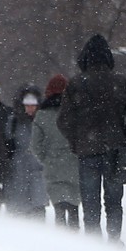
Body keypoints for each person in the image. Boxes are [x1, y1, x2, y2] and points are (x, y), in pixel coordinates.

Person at [57, 34, 126, 245]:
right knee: (114, 200)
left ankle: (93, 244)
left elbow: (64, 120)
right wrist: (124, 136)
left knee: (90, 200)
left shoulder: (76, 84)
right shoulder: (123, 83)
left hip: (87, 151)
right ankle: (114, 240)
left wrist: (77, 140)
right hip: (115, 150)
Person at [31, 74, 81, 229]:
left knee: (59, 208)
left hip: (53, 166)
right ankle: (77, 240)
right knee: (74, 207)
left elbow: (35, 144)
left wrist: (46, 159)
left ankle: (61, 240)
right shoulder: (76, 113)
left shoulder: (42, 116)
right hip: (75, 165)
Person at [4, 85, 48, 218]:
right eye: (27, 105)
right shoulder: (13, 122)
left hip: (37, 173)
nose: (30, 108)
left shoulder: (42, 122)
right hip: (17, 172)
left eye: (33, 105)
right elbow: (7, 145)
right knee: (17, 213)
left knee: (38, 213)